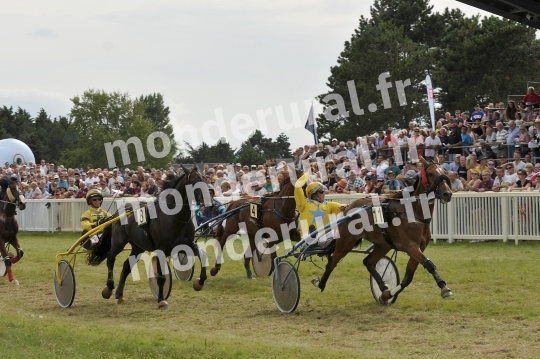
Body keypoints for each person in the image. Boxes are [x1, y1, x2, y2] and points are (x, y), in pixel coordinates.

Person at [294, 173, 346, 249]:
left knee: (338, 228)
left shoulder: (327, 205)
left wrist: (346, 207)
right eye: (321, 192)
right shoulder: (303, 204)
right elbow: (297, 186)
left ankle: (317, 241)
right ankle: (310, 241)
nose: (324, 194)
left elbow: (346, 206)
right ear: (313, 194)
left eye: (324, 192)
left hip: (323, 238)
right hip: (307, 238)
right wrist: (307, 174)